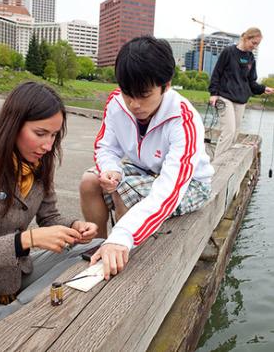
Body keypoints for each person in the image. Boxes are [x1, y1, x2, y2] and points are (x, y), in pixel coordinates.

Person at [80, 36, 214, 280]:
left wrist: (123, 234)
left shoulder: (184, 121)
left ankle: (121, 246)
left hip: (190, 184)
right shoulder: (116, 102)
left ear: (166, 85)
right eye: (127, 93)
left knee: (123, 188)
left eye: (143, 94)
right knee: (89, 182)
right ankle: (100, 245)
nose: (134, 104)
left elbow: (169, 191)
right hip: (142, 170)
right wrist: (111, 169)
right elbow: (105, 147)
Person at [0, 81, 102, 321]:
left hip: (15, 274)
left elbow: (50, 217)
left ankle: (16, 309)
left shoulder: (40, 163)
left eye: (54, 135)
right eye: (40, 133)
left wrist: (75, 226)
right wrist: (26, 239)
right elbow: (27, 238)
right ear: (13, 124)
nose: (48, 145)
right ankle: (16, 313)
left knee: (96, 246)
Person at [209, 27, 274, 159]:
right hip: (224, 97)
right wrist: (213, 93)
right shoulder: (228, 52)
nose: (255, 47)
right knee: (229, 131)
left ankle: (225, 161)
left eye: (257, 44)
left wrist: (263, 89)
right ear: (246, 38)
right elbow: (216, 74)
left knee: (235, 133)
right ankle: (217, 164)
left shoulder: (251, 58)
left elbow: (251, 82)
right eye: (253, 43)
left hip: (240, 100)